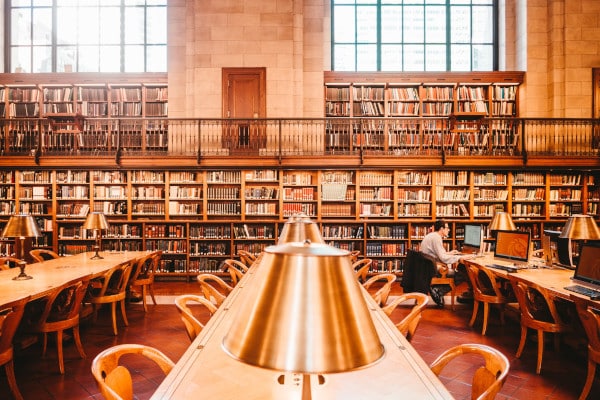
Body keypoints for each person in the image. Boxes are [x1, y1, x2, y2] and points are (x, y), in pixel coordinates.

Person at [420, 220, 473, 306]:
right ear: (441, 229)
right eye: (447, 228)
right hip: (431, 268)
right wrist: (460, 258)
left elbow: (438, 254)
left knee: (461, 270)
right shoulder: (436, 237)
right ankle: (438, 291)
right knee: (462, 273)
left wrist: (450, 253)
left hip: (427, 265)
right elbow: (443, 258)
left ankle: (438, 290)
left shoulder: (433, 236)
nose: (449, 230)